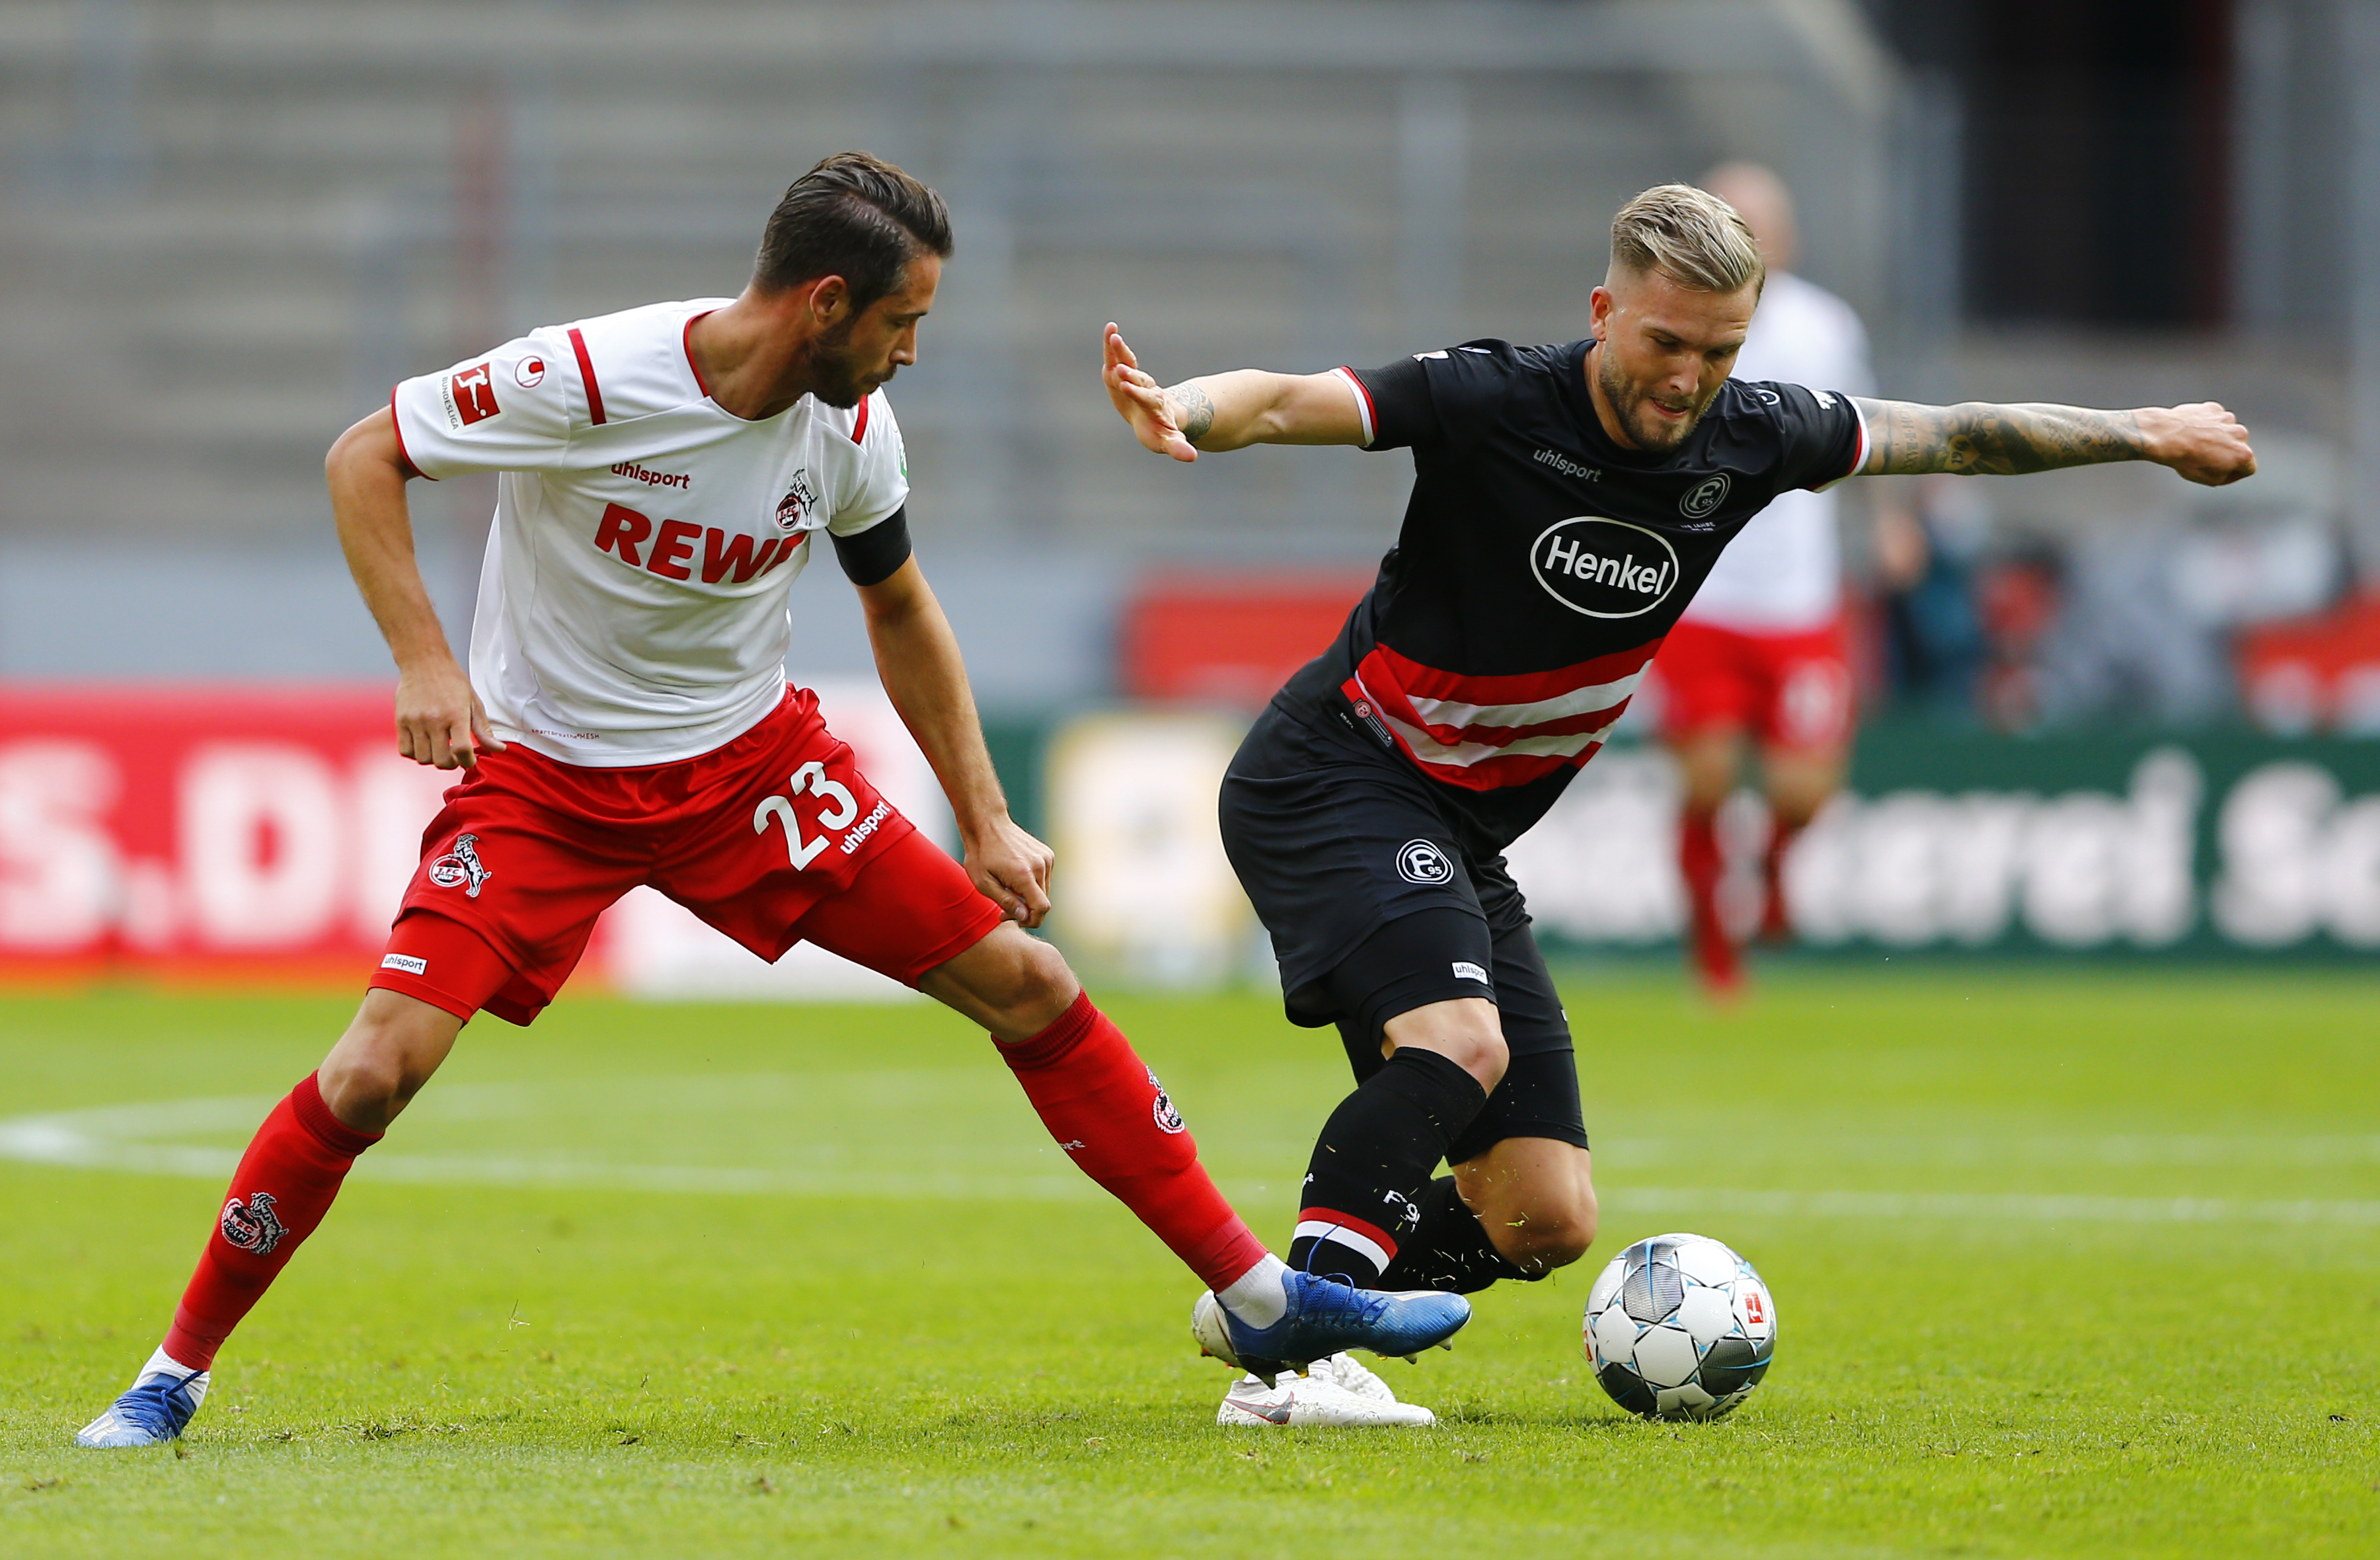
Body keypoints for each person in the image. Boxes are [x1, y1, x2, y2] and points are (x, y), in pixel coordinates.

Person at [75, 153, 1465, 1450]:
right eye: (901, 320)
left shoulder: (851, 423)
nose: (910, 351)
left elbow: (901, 603)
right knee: (374, 1071)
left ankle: (1264, 1299)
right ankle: (172, 1372)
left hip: (752, 775)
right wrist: (427, 661)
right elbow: (361, 454)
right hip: (545, 784)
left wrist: (980, 813)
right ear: (824, 302)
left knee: (1030, 984)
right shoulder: (588, 376)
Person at [1103, 183, 2255, 1423]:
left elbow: (1957, 434)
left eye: (1720, 352)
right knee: (1459, 1043)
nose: (1687, 379)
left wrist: (2144, 429)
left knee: (1542, 1214)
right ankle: (1300, 1359)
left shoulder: (1753, 435)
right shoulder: (1495, 397)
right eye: (1664, 342)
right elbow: (1291, 400)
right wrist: (1189, 410)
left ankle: (1269, 1302)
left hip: (1461, 831)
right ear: (1605, 312)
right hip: (1340, 770)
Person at [1651, 163, 1888, 994]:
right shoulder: (1675, 322)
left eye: (1762, 222)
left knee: (1803, 791)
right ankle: (1714, 956)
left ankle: (1777, 878)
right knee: (1709, 778)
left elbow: (1868, 430)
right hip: (1702, 594)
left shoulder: (1826, 325)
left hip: (1799, 599)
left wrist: (1887, 521)